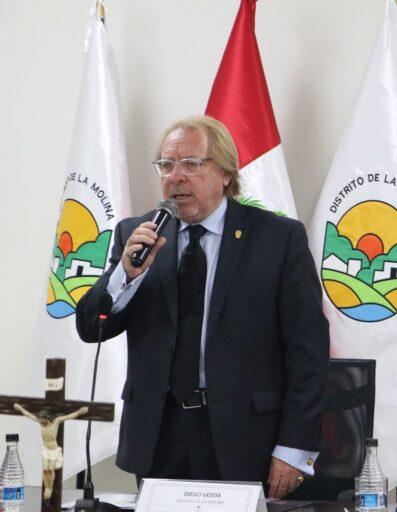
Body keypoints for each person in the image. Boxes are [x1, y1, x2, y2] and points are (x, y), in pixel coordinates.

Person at [76, 116, 329, 498]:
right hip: (158, 437)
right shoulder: (137, 235)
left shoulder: (278, 239)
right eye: (166, 165)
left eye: (191, 165)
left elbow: (308, 351)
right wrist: (126, 275)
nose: (175, 177)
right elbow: (91, 327)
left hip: (245, 439)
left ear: (225, 173)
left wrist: (295, 449)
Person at [13, 403, 89, 500]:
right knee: (45, 470)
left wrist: (80, 412)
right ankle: (47, 488)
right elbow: (28, 415)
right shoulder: (41, 423)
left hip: (53, 450)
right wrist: (19, 408)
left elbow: (68, 416)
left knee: (50, 469)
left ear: (47, 418)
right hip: (46, 450)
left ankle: (50, 488)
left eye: (42, 418)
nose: (40, 420)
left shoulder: (56, 422)